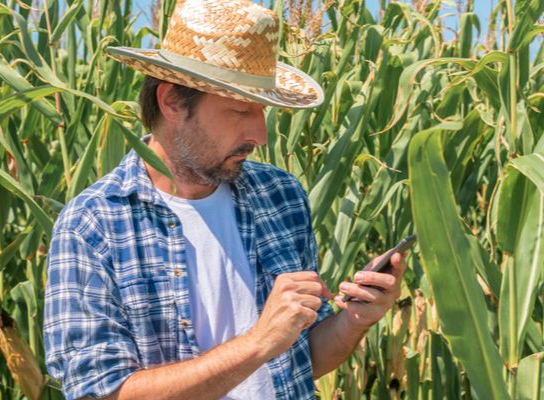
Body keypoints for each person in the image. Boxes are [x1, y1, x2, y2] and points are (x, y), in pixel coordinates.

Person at [43, 0, 406, 399]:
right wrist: (258, 342)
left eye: (263, 111)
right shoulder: (93, 224)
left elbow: (300, 360)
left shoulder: (280, 196)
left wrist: (355, 320)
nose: (261, 134)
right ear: (172, 102)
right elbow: (103, 393)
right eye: (239, 110)